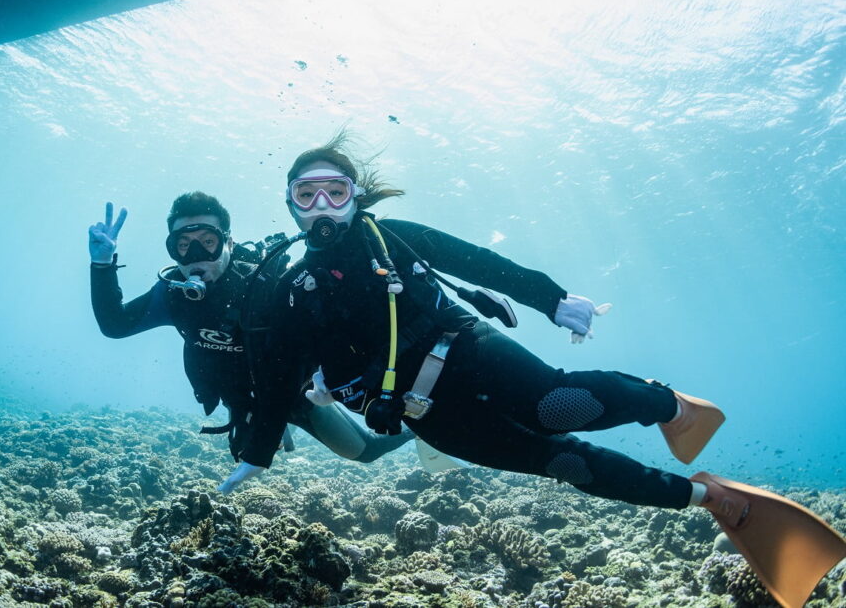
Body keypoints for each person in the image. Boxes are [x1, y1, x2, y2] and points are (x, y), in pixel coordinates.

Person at [231, 131, 846, 608]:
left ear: (355, 194)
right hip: (425, 414)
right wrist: (256, 450)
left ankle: (669, 405)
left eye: (334, 191)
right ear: (289, 206)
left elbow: (479, 263)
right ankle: (706, 496)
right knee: (562, 463)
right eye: (305, 195)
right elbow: (276, 377)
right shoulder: (290, 292)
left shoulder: (394, 239)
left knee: (557, 404)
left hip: (463, 350)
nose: (321, 207)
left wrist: (553, 300)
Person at [88, 192, 413, 493]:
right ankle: (271, 429)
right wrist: (102, 264)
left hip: (293, 396)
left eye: (208, 241)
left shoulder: (266, 288)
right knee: (243, 450)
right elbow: (115, 325)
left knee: (364, 452)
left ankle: (417, 432)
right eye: (184, 244)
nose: (197, 255)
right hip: (240, 403)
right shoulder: (173, 295)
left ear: (228, 242)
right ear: (173, 249)